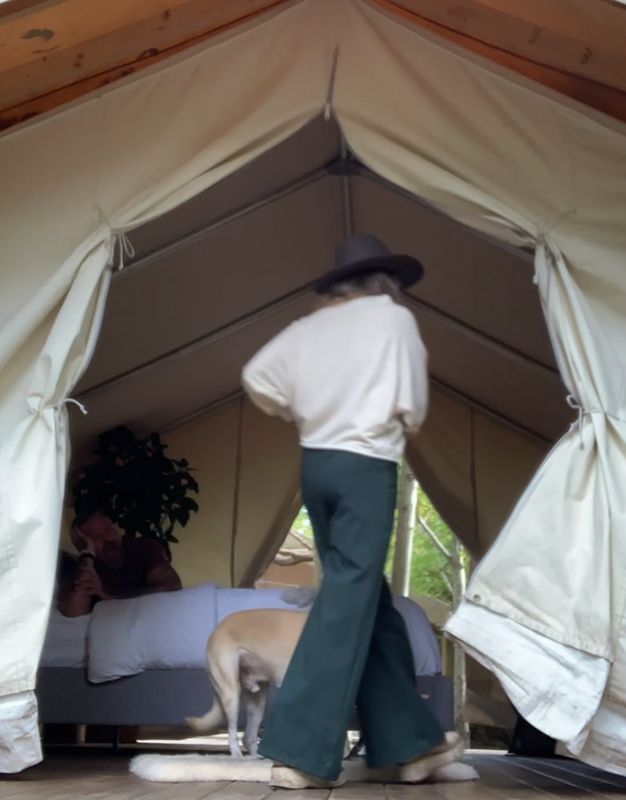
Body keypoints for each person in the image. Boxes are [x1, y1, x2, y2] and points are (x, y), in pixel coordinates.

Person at [241, 234, 464, 788]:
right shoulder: (393, 320)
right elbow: (411, 402)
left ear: (339, 285)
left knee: (367, 597)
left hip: (316, 467)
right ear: (385, 281)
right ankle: (300, 752)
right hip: (366, 466)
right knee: (346, 598)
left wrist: (301, 413)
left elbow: (256, 377)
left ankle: (410, 747)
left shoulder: (308, 328)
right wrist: (388, 422)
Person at [57, 509, 182, 617]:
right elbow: (72, 613)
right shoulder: (82, 564)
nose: (107, 538)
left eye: (108, 529)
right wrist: (87, 554)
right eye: (95, 536)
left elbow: (172, 588)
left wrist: (106, 594)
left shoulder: (143, 548)